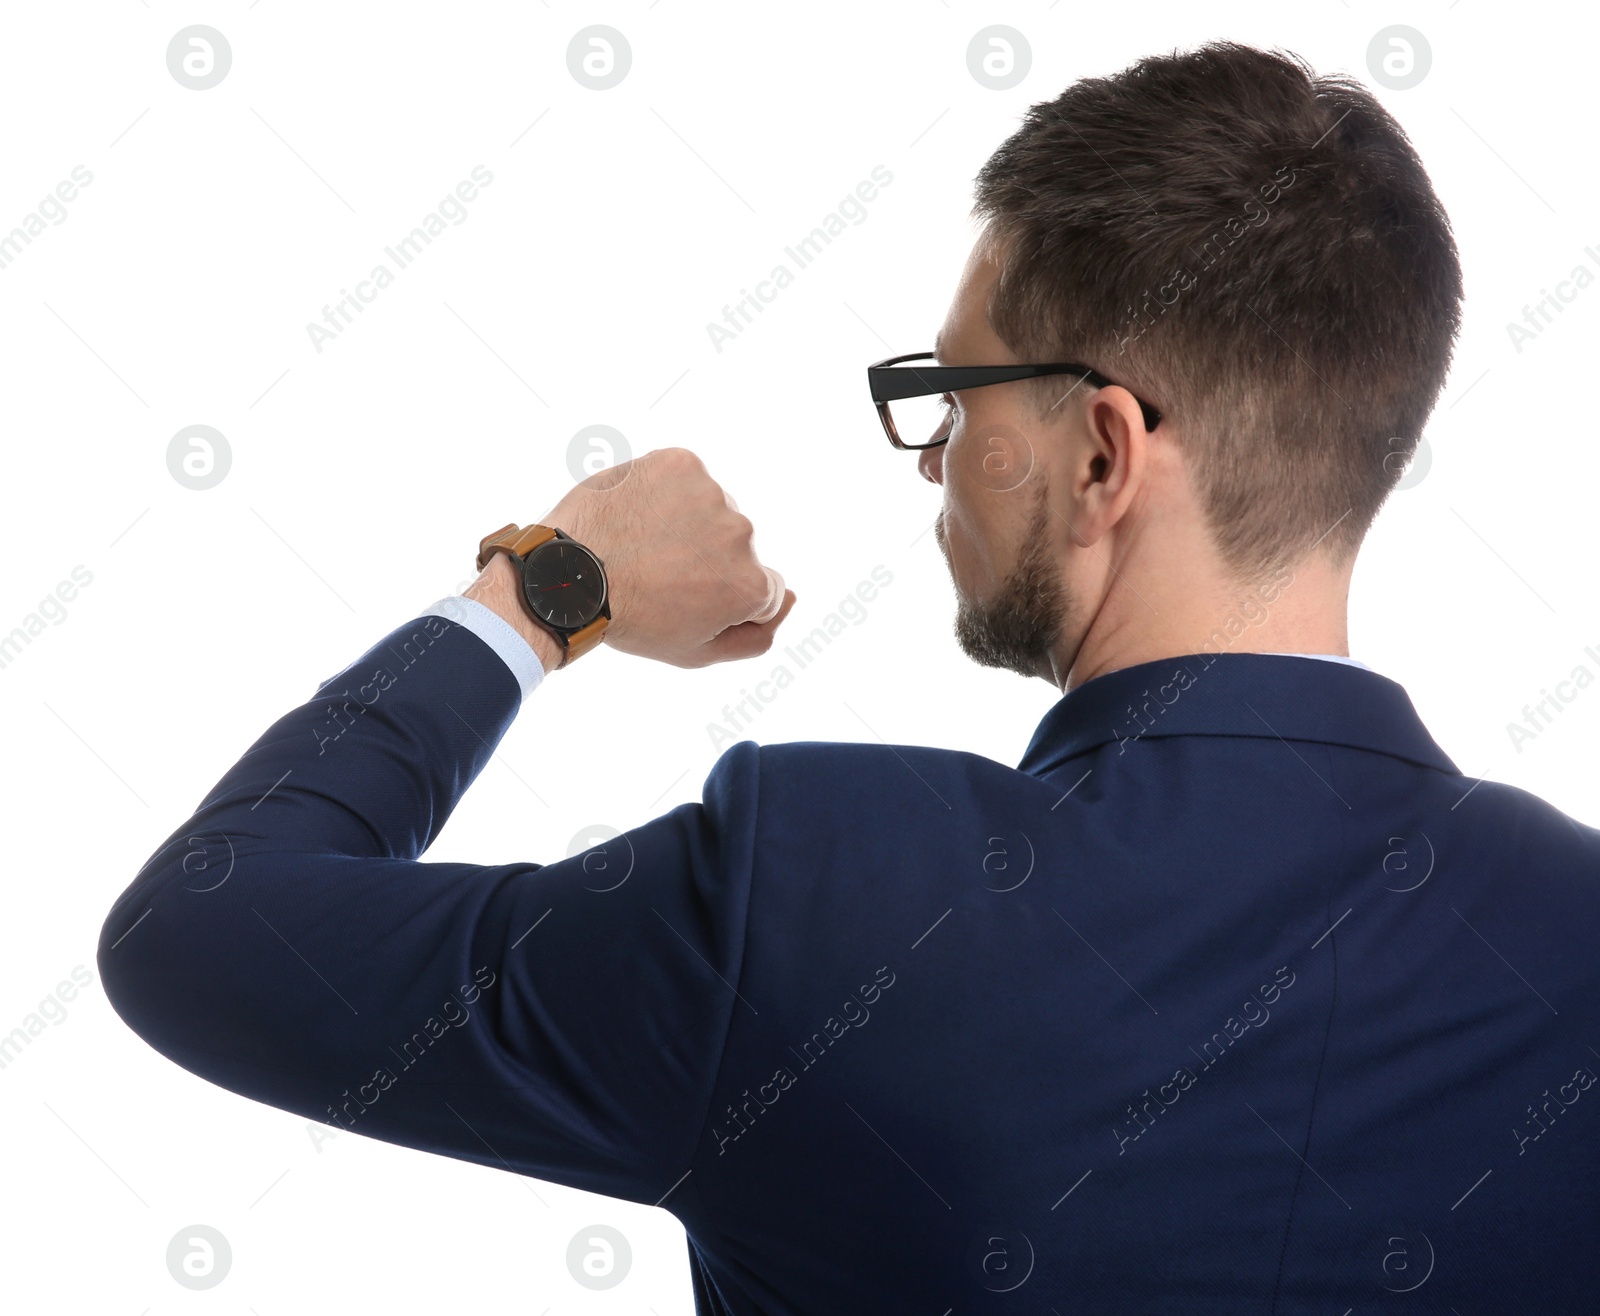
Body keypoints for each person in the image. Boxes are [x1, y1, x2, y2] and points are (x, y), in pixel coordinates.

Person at [100, 39, 1600, 1313]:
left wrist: (554, 585)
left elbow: (201, 933)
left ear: (1101, 453)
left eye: (953, 397)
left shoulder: (824, 902)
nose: (936, 457)